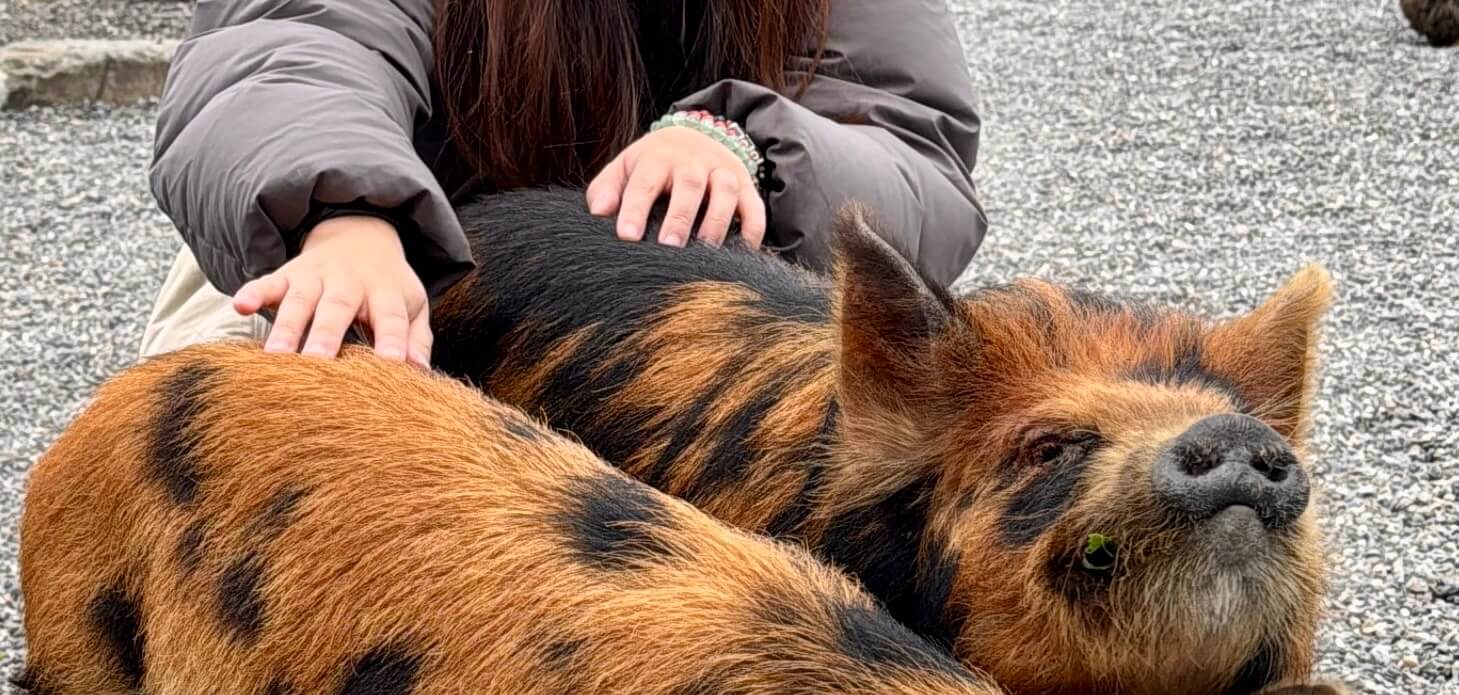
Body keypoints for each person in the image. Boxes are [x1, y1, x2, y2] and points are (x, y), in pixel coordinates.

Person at [142, 1, 984, 365]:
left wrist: (754, 146)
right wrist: (343, 213)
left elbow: (909, 144)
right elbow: (295, 42)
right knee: (235, 416)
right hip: (391, 252)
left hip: (686, 285)